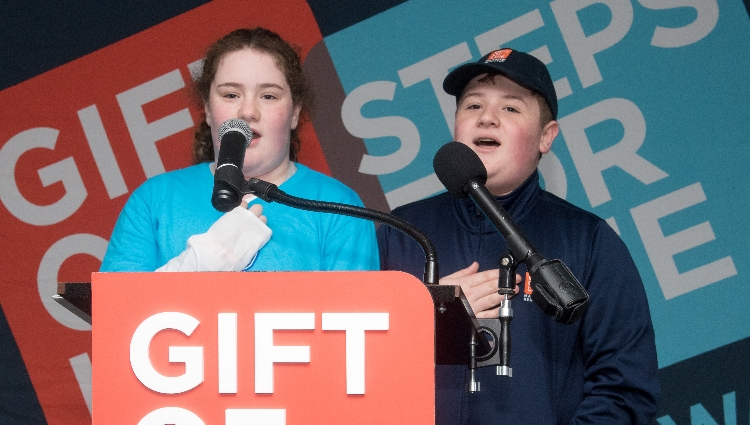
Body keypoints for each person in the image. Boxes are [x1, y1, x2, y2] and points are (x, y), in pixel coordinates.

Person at [377, 48, 660, 424]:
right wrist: (418, 319)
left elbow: (625, 389)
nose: (487, 118)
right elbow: (355, 368)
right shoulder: (402, 232)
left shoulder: (589, 241)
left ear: (547, 136)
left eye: (510, 108)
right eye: (472, 106)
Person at [100, 27, 378, 273]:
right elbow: (116, 317)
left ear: (294, 113)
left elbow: (352, 326)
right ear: (207, 110)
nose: (247, 111)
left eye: (268, 96)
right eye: (231, 95)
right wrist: (208, 258)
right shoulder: (154, 199)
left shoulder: (340, 207)